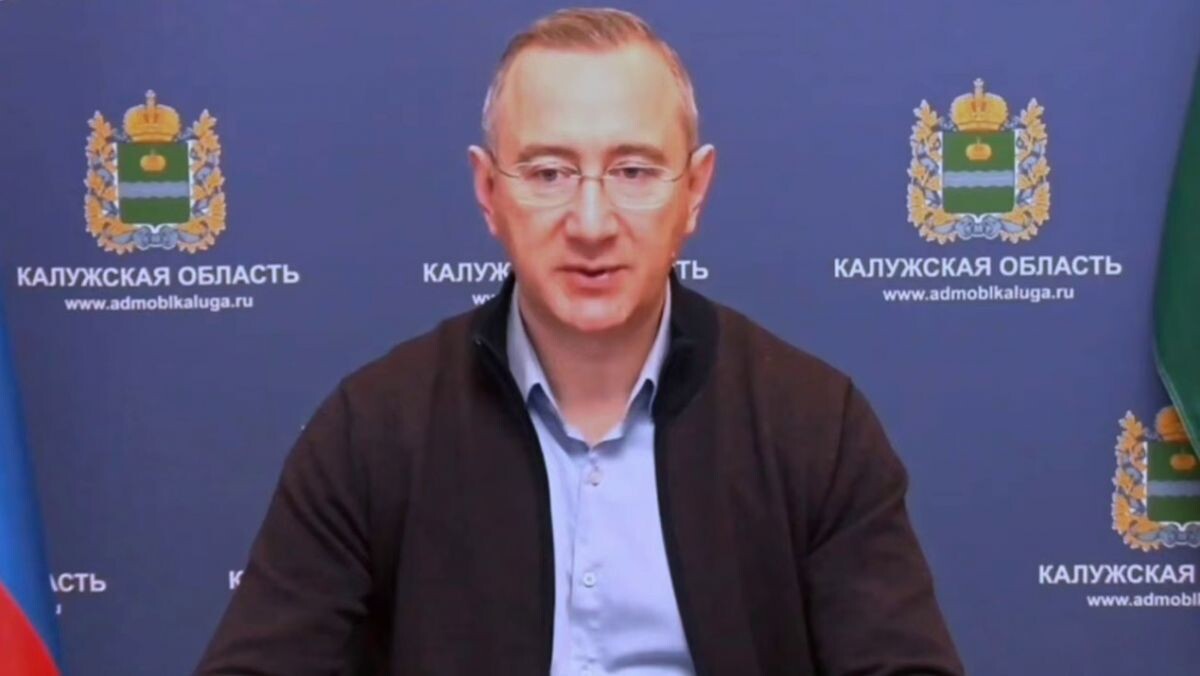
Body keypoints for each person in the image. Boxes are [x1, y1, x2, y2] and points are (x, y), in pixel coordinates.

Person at [197, 8, 962, 675]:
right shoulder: (372, 430)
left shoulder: (815, 425)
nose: (591, 224)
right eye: (548, 173)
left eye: (633, 171)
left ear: (695, 192)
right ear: (488, 193)